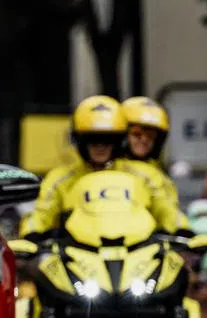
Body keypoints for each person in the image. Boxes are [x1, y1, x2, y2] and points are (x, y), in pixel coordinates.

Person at [20, 95, 189, 239]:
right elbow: (40, 216)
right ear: (80, 141)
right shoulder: (59, 178)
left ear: (118, 141)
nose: (100, 146)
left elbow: (168, 211)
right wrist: (30, 236)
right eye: (93, 139)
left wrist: (184, 232)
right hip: (75, 259)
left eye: (107, 140)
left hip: (137, 257)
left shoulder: (147, 175)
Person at [121, 96, 182, 207]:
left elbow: (170, 212)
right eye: (137, 134)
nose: (144, 140)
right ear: (124, 135)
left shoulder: (160, 177)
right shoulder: (108, 167)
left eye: (150, 136)